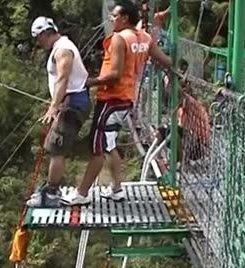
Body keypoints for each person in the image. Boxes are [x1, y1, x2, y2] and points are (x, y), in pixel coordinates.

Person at [61, 0, 172, 205]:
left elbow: (114, 74)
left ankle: (82, 193)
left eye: (114, 16)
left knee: (96, 147)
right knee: (109, 144)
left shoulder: (119, 39)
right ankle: (116, 188)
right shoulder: (144, 38)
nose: (111, 19)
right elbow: (166, 61)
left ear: (125, 18)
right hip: (126, 99)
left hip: (111, 99)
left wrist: (89, 82)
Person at [26, 16, 92, 207]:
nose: (38, 43)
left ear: (46, 34)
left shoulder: (63, 50)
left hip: (71, 105)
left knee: (56, 148)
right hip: (69, 103)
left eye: (39, 38)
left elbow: (63, 78)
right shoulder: (61, 46)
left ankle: (52, 193)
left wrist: (54, 106)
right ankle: (51, 189)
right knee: (53, 147)